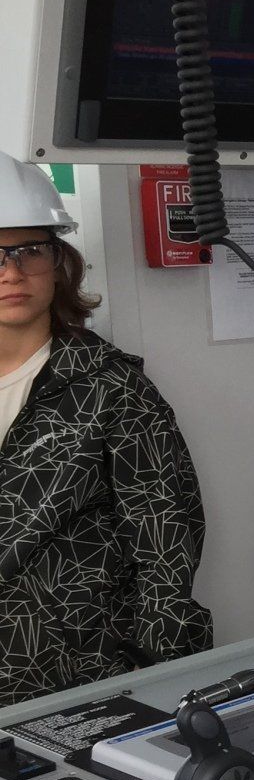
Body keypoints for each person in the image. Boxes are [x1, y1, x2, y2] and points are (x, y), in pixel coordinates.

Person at [0, 155, 213, 706]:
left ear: (58, 264)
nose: (12, 272)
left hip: (79, 679)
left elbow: (166, 545)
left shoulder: (111, 388)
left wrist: (153, 683)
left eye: (29, 250)